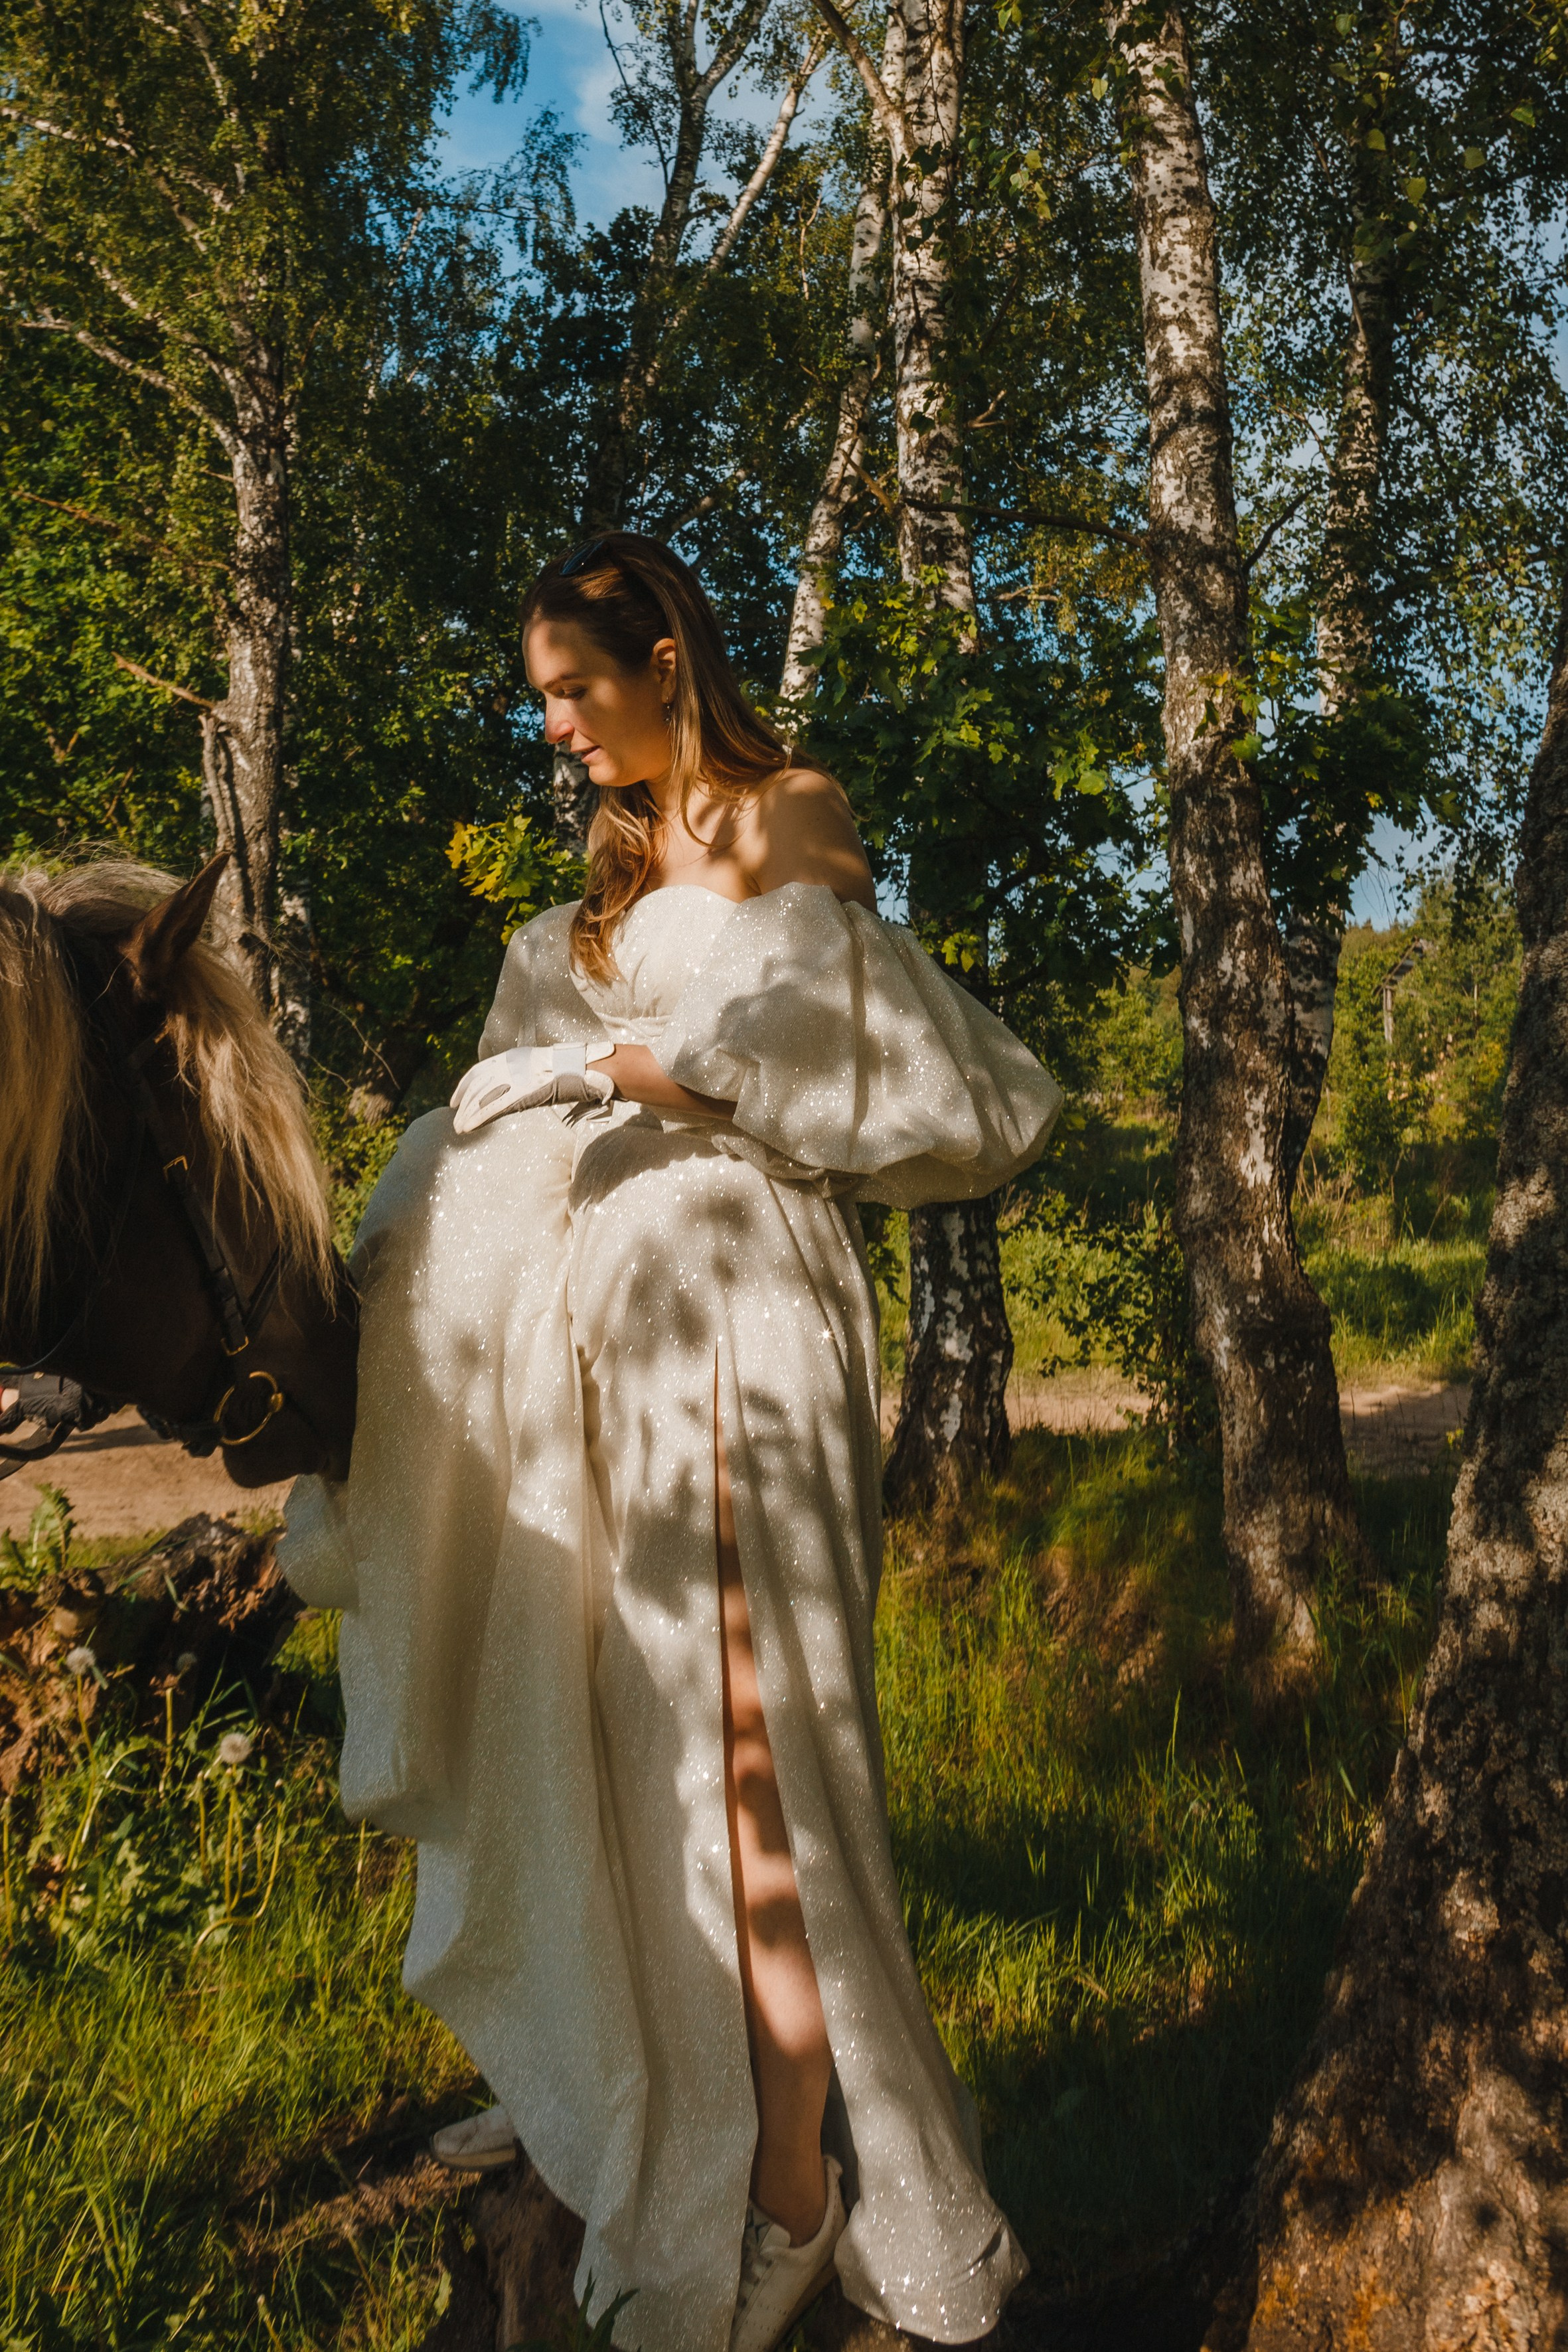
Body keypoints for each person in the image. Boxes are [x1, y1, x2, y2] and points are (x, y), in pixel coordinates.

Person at [282, 534, 1061, 2352]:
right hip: (596, 1342)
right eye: (540, 696)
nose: (552, 726)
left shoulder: (791, 813)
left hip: (743, 1308)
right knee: (635, 1758)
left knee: (760, 1767)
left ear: (662, 658)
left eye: (575, 688)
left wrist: (622, 1069)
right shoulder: (587, 901)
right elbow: (498, 1142)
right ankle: (679, 2144)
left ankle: (796, 2196)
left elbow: (841, 1066)